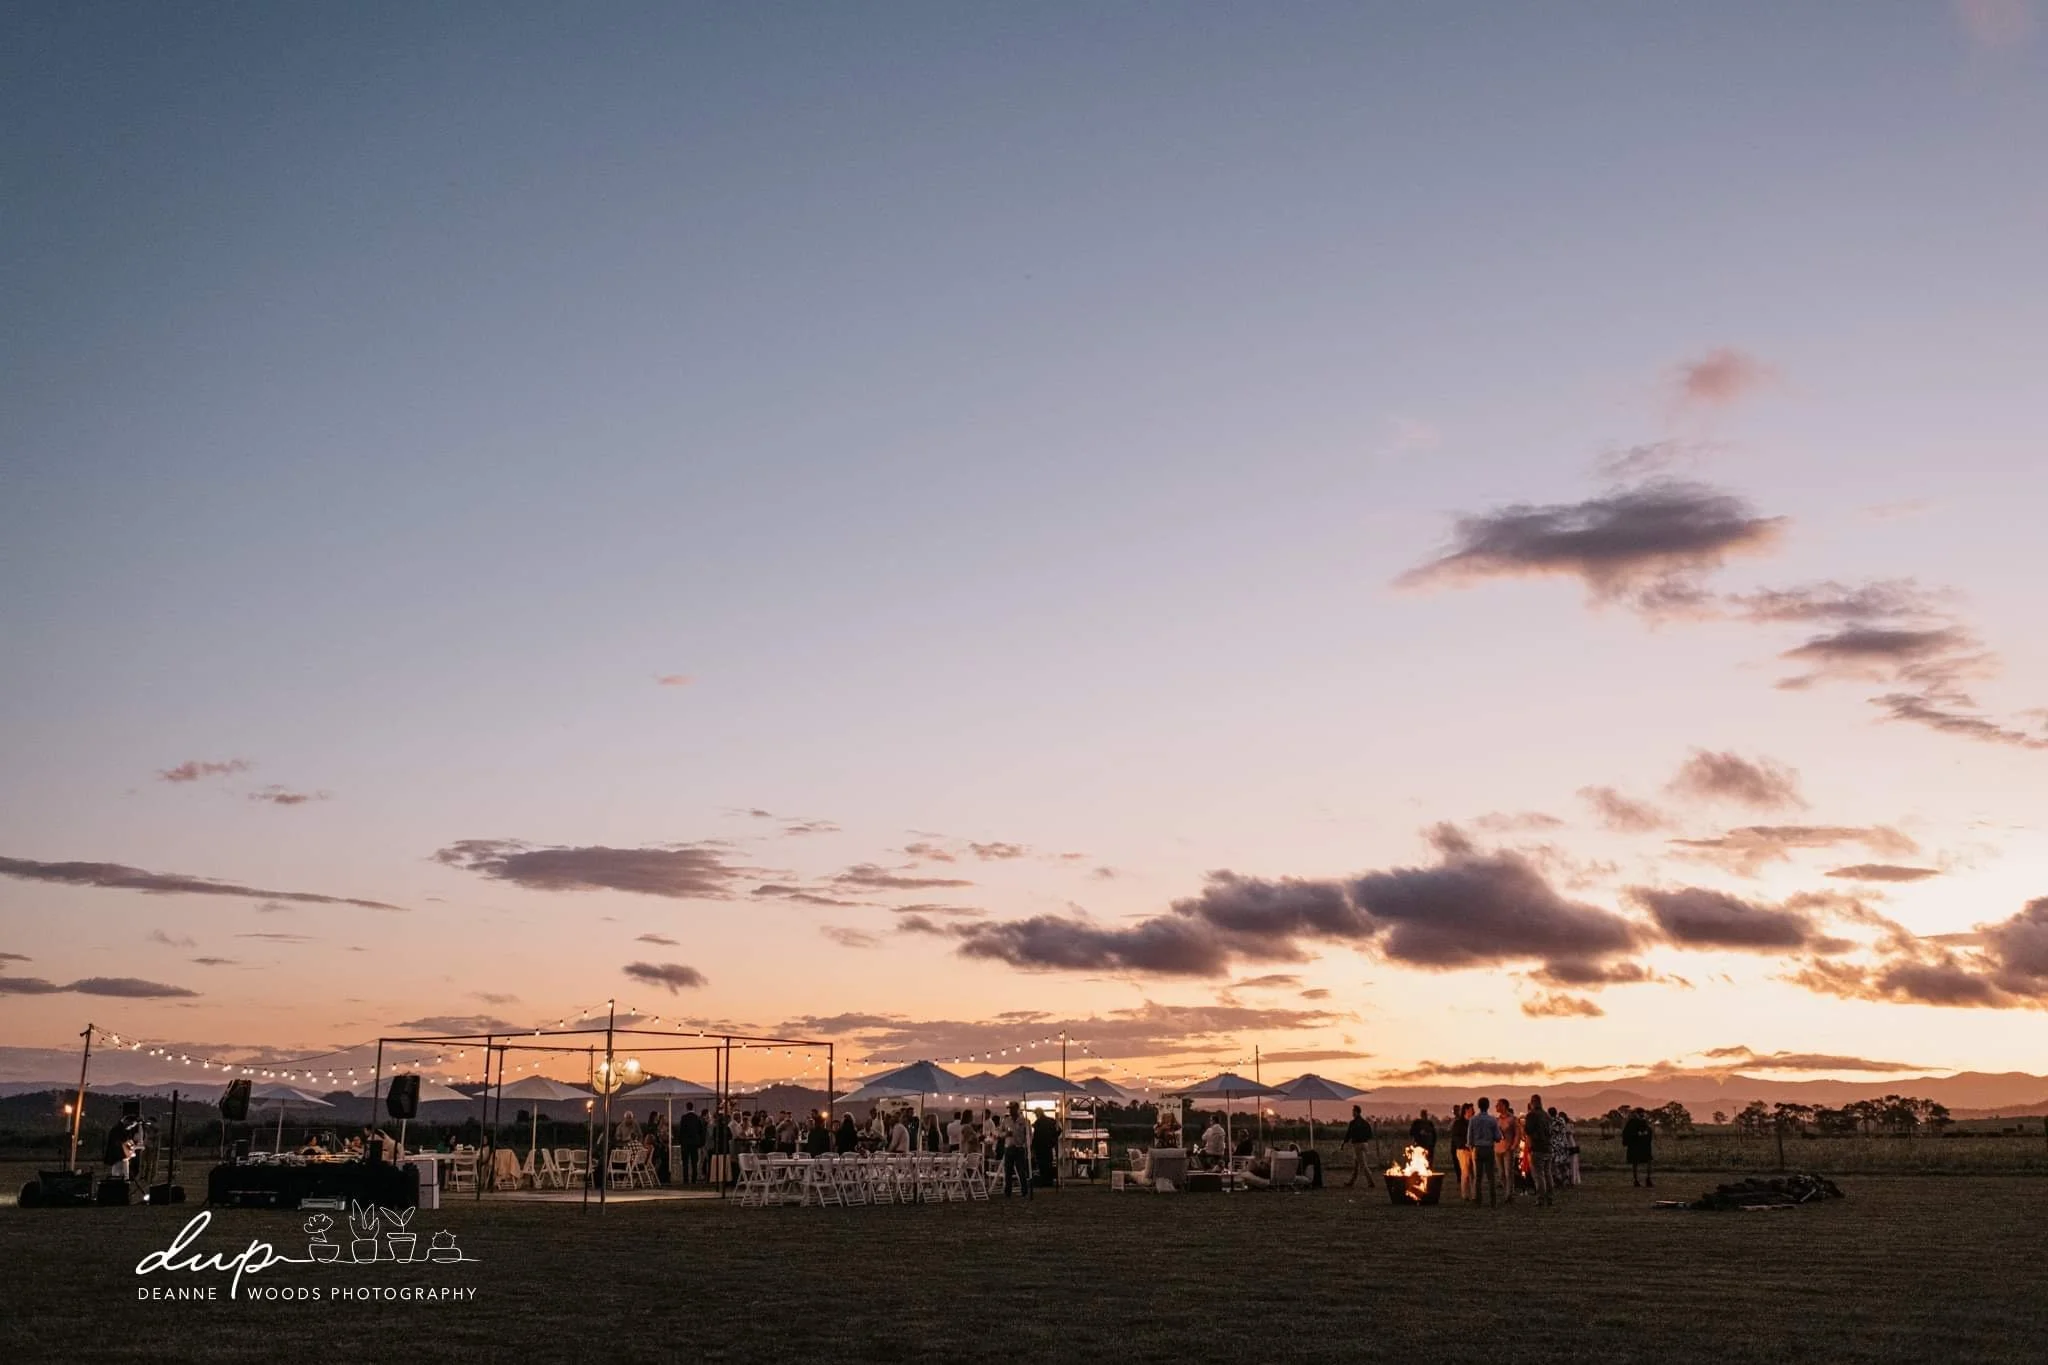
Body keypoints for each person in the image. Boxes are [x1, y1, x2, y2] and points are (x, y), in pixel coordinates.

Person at [1466, 1097, 1501, 1207]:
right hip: (1489, 1148)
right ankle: (1493, 1201)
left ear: (1478, 1106)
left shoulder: (1473, 1120)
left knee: (1478, 1177)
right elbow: (1497, 1136)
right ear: (1488, 1106)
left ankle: (1478, 1200)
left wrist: (1472, 1146)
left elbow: (1469, 1137)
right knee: (1491, 1176)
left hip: (1478, 1149)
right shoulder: (1492, 1120)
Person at [1525, 1094, 1554, 1207]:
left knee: (1539, 1175)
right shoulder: (1547, 1115)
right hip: (1548, 1148)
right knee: (1548, 1173)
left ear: (1532, 1102)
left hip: (1537, 1148)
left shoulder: (1532, 1115)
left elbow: (1528, 1130)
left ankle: (1540, 1199)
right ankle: (1550, 1197)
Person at [1002, 1102, 1033, 1198]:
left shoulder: (1024, 1121)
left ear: (1017, 1109)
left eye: (1012, 1109)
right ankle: (1008, 1192)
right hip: (1009, 1147)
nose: (1010, 1111)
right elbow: (999, 1132)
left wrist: (1026, 1146)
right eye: (1009, 1109)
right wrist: (1005, 1134)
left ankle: (1024, 1190)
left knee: (1021, 1170)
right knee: (1008, 1171)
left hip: (1019, 1148)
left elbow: (1029, 1135)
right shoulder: (1006, 1121)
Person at [1623, 1107, 1655, 1187]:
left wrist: (1645, 1135)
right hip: (1635, 1145)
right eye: (1640, 1113)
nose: (1642, 1114)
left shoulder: (1644, 1122)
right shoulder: (1632, 1122)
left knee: (1648, 1162)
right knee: (1635, 1163)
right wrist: (1637, 1135)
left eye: (1642, 1113)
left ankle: (1648, 1179)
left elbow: (1649, 1133)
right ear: (1637, 1114)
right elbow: (1627, 1133)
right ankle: (1636, 1180)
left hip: (1644, 1146)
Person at [1343, 1105, 1375, 1188]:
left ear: (1356, 1112)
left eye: (1353, 1111)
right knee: (1357, 1164)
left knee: (1362, 1164)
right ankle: (1351, 1182)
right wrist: (1364, 1140)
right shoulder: (1365, 1123)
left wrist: (1344, 1143)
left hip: (1357, 1145)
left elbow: (1348, 1134)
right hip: (1364, 1144)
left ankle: (1371, 1182)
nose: (1352, 1113)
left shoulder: (1353, 1123)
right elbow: (1370, 1134)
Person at [1450, 1103, 1473, 1201]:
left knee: (1473, 1173)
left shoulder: (1473, 1122)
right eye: (1471, 1109)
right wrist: (1464, 1145)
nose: (1473, 1111)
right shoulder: (1458, 1123)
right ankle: (1465, 1194)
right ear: (1466, 1110)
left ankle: (1473, 1194)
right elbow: (1455, 1137)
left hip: (1473, 1149)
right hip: (1463, 1150)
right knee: (1466, 1172)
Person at [1030, 1108, 1060, 1188]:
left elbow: (1036, 1137)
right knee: (1048, 1164)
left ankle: (1044, 1181)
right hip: (1048, 1146)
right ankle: (1049, 1181)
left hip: (1040, 1146)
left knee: (1042, 1165)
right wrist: (1053, 1140)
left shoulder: (1038, 1123)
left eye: (1036, 1114)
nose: (1036, 1116)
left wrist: (1032, 1147)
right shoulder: (1051, 1121)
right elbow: (1059, 1130)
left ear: (1038, 1114)